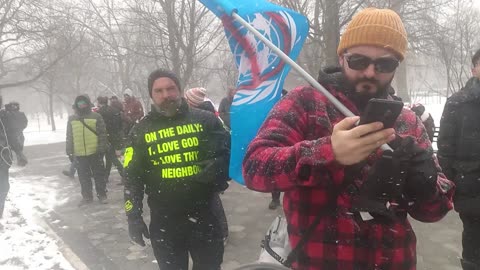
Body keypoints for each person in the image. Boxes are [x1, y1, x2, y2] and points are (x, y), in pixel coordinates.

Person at [243, 8, 454, 269]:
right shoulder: (305, 102)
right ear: (342, 58)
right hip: (318, 261)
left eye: (384, 64)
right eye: (358, 61)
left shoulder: (408, 120)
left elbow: (435, 211)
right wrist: (328, 153)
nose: (370, 72)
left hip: (394, 261)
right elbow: (255, 167)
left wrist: (425, 185)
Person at [124, 69, 230, 270]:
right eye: (159, 91)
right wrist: (133, 217)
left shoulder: (206, 120)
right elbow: (132, 179)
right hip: (165, 225)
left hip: (205, 218)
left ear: (180, 90)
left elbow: (230, 156)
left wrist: (219, 168)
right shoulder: (140, 132)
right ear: (151, 95)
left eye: (171, 88)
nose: (166, 95)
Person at [438, 48, 480, 270]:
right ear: (474, 69)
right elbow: (445, 147)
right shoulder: (458, 102)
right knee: (474, 247)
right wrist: (454, 183)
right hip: (471, 187)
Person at [185, 87, 230, 244]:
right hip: (205, 167)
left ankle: (222, 232)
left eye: (187, 100)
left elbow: (220, 142)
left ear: (192, 102)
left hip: (207, 168)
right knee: (210, 201)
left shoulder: (205, 117)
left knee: (212, 202)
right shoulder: (201, 115)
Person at [66, 95, 108, 206]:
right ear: (76, 105)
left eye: (83, 103)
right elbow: (69, 136)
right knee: (83, 177)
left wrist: (101, 148)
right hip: (80, 153)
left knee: (99, 175)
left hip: (95, 152)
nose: (82, 106)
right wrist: (69, 150)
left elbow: (103, 134)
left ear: (88, 103)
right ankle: (87, 196)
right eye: (79, 104)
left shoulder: (96, 116)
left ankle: (102, 194)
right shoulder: (72, 119)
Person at [96, 96, 125, 184]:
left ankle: (124, 175)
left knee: (111, 157)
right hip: (115, 136)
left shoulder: (99, 113)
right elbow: (120, 123)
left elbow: (99, 127)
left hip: (106, 137)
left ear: (100, 102)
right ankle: (106, 176)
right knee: (109, 157)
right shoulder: (114, 110)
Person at [0, 96, 15, 218]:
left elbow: (12, 135)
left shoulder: (4, 118)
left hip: (3, 158)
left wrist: (20, 153)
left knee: (3, 185)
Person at [5, 101, 28, 166]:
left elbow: (25, 122)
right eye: (12, 106)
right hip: (15, 134)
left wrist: (20, 128)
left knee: (18, 149)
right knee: (18, 149)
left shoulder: (18, 114)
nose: (13, 107)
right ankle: (22, 161)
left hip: (16, 134)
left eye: (14, 106)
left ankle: (21, 161)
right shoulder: (9, 114)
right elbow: (25, 123)